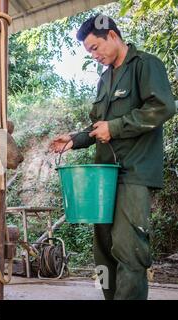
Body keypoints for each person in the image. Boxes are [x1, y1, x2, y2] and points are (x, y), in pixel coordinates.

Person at [50, 15, 176, 300]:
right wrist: (73, 139)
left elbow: (163, 107)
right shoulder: (104, 78)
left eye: (95, 48)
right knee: (103, 249)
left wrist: (116, 127)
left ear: (113, 36)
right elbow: (98, 126)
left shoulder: (145, 65)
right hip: (103, 176)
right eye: (89, 52)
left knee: (128, 248)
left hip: (134, 173)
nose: (95, 56)